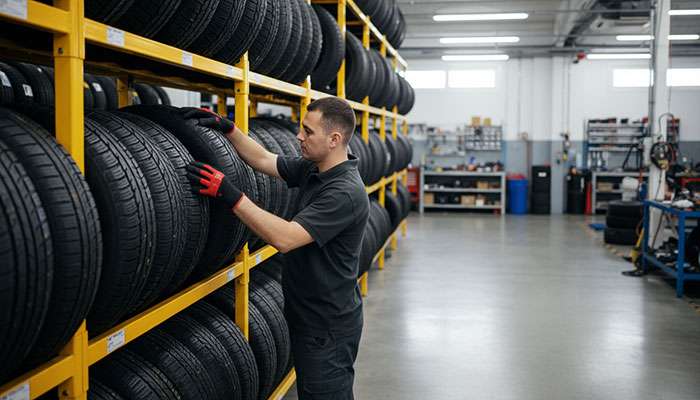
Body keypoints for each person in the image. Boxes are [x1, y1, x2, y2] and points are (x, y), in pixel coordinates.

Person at [183, 97, 369, 400]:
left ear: (334, 139)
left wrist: (231, 195)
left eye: (308, 131)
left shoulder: (344, 192)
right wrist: (229, 129)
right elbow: (266, 160)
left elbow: (286, 237)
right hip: (309, 315)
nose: (299, 136)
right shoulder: (316, 169)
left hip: (327, 326)